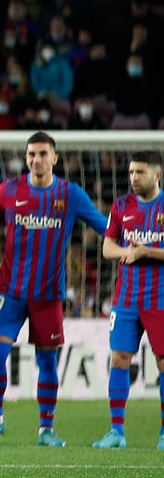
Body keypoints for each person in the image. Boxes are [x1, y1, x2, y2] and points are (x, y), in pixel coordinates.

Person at [0, 132, 107, 447]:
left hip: (48, 294)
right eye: (31, 154)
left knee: (47, 363)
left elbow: (105, 227)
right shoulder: (9, 190)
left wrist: (137, 243)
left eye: (42, 154)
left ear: (55, 158)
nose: (37, 160)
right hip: (10, 291)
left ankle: (45, 430)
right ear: (25, 158)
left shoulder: (70, 194)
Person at [94, 151, 164, 450]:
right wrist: (128, 252)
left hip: (160, 298)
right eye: (132, 172)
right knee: (120, 357)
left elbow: (145, 250)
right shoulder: (122, 205)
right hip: (126, 298)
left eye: (140, 172)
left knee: (163, 362)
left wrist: (146, 251)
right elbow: (107, 247)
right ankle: (116, 432)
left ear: (157, 175)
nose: (134, 178)